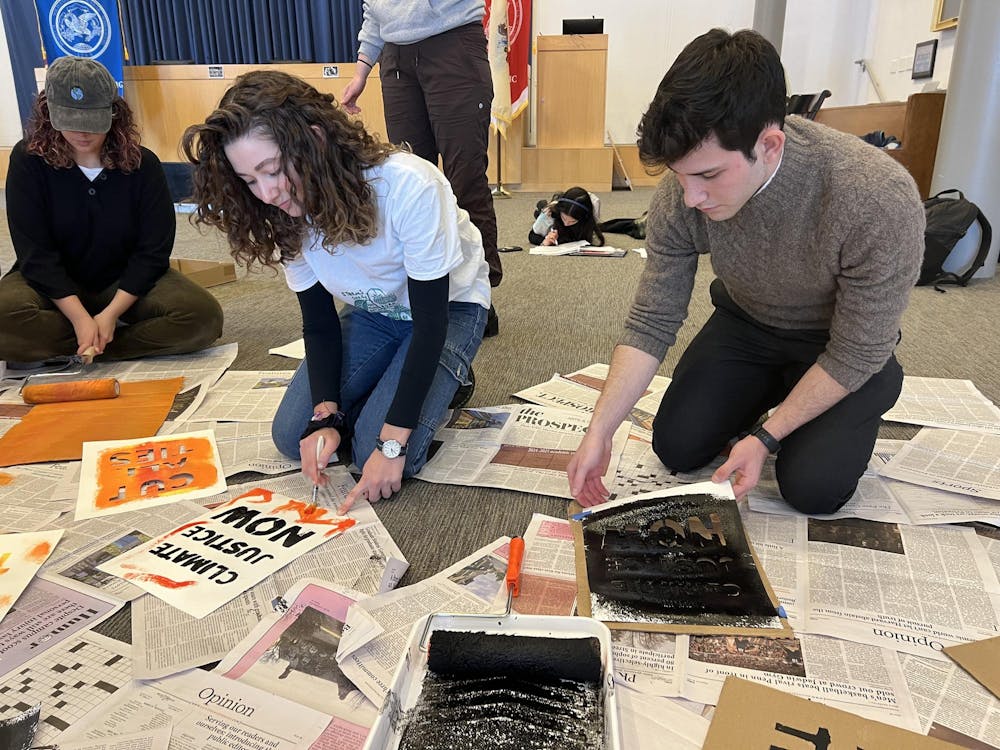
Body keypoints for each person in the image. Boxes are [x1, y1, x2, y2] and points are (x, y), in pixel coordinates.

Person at [567, 29, 924, 514]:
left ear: (770, 146)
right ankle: (770, 392)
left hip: (838, 344)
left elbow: (858, 348)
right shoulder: (685, 189)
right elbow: (652, 319)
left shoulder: (874, 196)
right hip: (747, 323)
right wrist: (600, 430)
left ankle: (832, 401)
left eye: (710, 176)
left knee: (813, 489)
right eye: (680, 176)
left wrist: (766, 437)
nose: (690, 197)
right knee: (677, 446)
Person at [182, 71, 490, 514]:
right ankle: (389, 384)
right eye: (249, 180)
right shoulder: (282, 215)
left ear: (315, 140)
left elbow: (430, 323)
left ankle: (451, 376)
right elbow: (319, 322)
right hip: (374, 311)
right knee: (293, 435)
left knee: (373, 452)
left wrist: (392, 443)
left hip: (448, 311)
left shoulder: (408, 186)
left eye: (272, 170)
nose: (267, 193)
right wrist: (325, 415)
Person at [0, 56, 223, 363]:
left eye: (92, 122)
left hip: (123, 281)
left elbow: (152, 252)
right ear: (47, 112)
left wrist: (110, 314)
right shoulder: (28, 161)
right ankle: (87, 336)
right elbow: (35, 254)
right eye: (70, 121)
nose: (82, 134)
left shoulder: (144, 165)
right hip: (49, 285)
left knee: (202, 318)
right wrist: (79, 318)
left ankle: (98, 343)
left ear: (114, 114)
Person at [340, 0, 501, 335]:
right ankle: (424, 295)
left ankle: (477, 298)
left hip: (453, 44)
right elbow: (375, 11)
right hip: (396, 59)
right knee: (410, 185)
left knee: (464, 180)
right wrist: (361, 72)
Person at [528, 187, 604, 247]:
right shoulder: (550, 213)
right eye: (564, 218)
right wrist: (545, 240)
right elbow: (532, 235)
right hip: (553, 207)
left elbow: (594, 238)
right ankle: (541, 207)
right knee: (543, 213)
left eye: (572, 221)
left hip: (584, 204)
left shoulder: (592, 210)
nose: (566, 224)